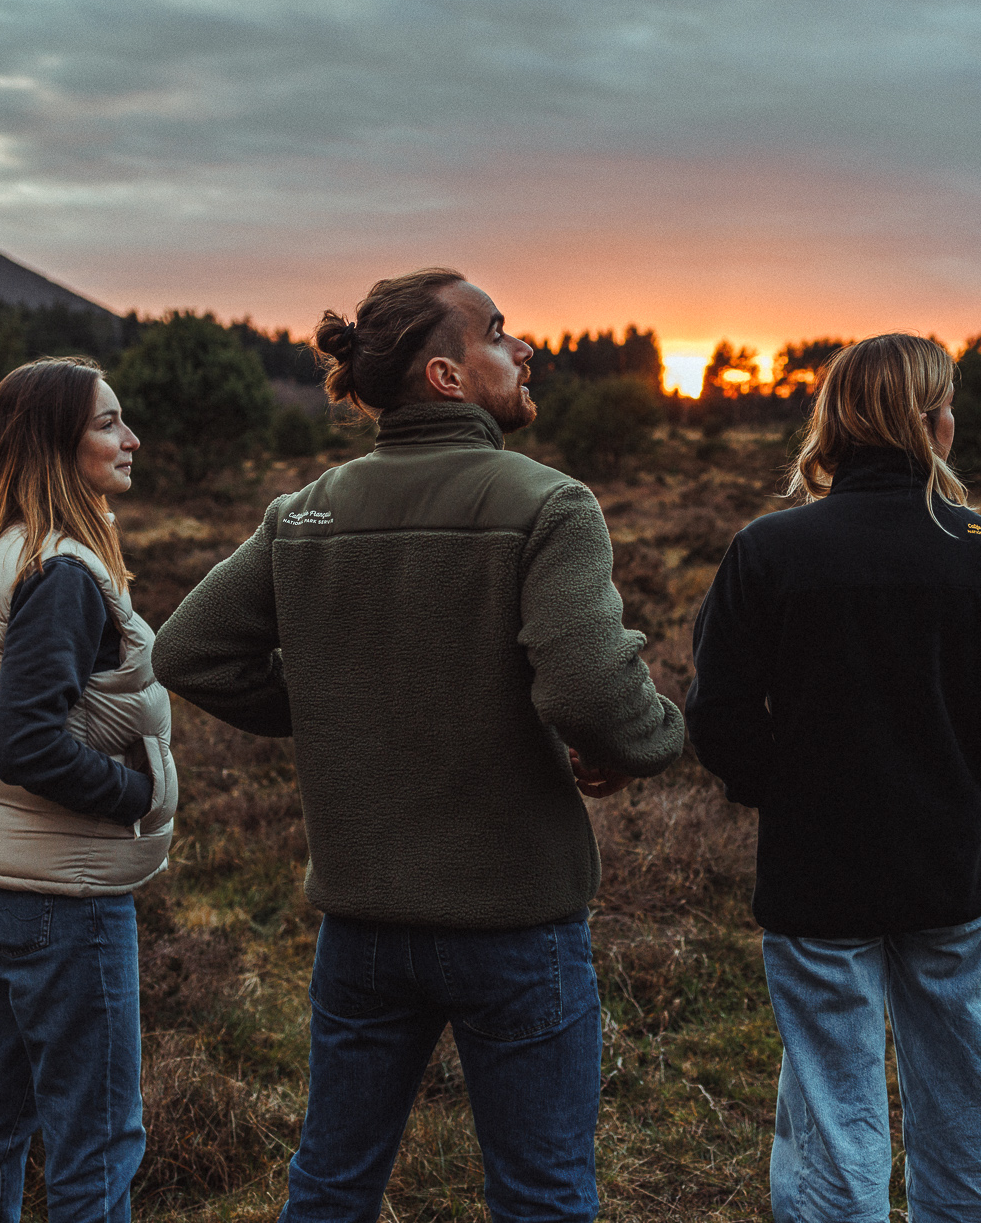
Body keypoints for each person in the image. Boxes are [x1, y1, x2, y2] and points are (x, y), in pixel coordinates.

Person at [154, 266, 685, 1223]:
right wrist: (655, 738)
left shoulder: (304, 512)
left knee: (330, 1187)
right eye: (499, 332)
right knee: (543, 1195)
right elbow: (589, 691)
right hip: (515, 921)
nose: (525, 349)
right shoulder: (549, 504)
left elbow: (188, 651)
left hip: (360, 930)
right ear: (446, 376)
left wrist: (344, 704)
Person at [686, 333, 981, 1223]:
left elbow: (718, 717)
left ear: (835, 423)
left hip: (813, 877)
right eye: (947, 403)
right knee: (969, 1111)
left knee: (833, 1121)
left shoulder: (769, 549)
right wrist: (953, 742)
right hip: (943, 871)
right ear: (930, 423)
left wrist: (790, 785)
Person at [0, 356, 177, 1223]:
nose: (130, 438)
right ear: (53, 444)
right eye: (107, 423)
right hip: (64, 891)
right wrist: (138, 795)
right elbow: (27, 743)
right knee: (96, 1137)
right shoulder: (61, 572)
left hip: (3, 873)